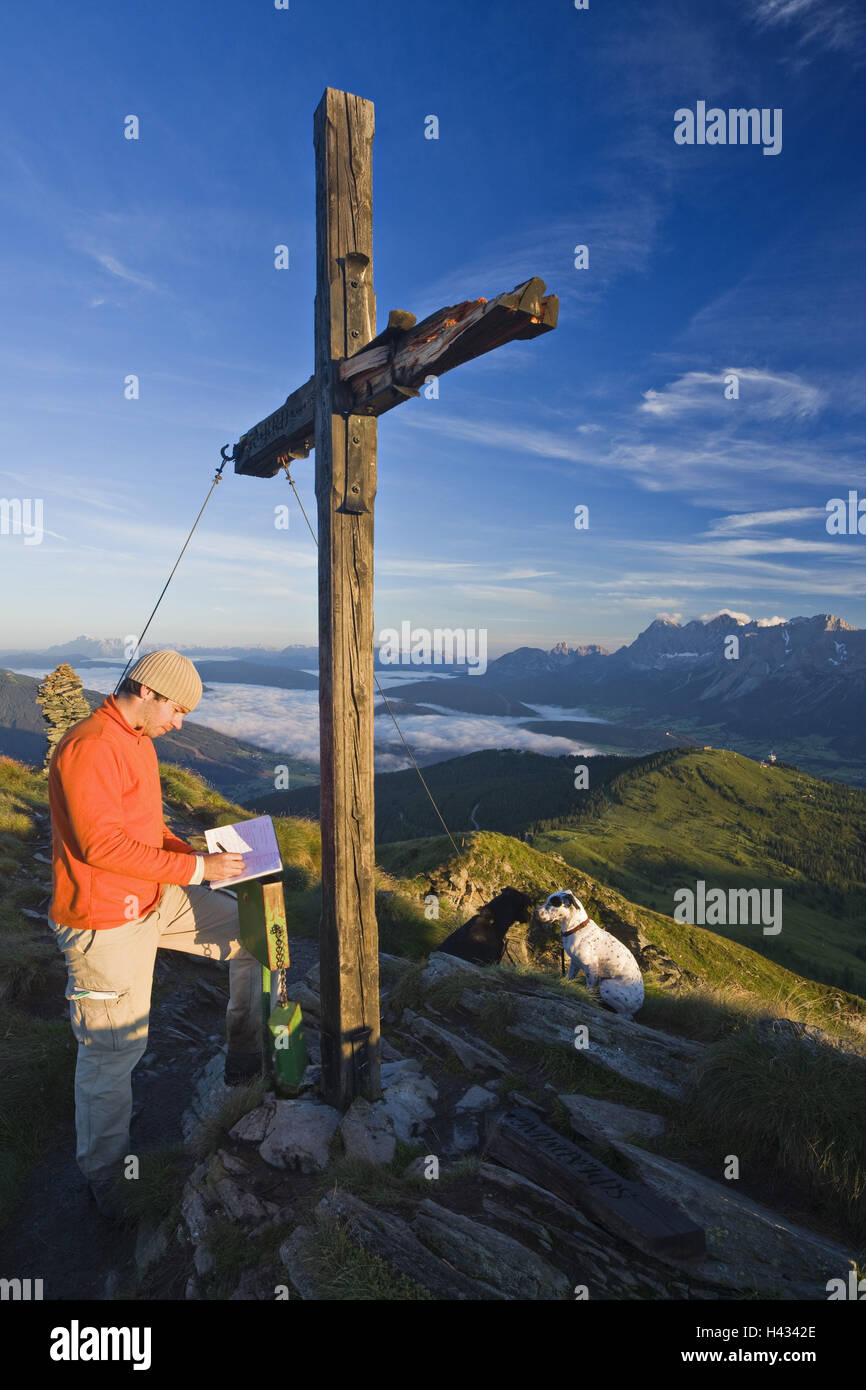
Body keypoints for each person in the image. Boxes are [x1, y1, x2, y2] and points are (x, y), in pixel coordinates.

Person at [46, 649, 263, 1218]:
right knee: (113, 1052)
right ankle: (106, 1178)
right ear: (146, 691)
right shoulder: (92, 746)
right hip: (104, 920)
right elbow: (100, 847)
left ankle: (245, 1052)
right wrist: (197, 872)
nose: (181, 723)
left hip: (151, 898)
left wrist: (189, 852)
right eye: (179, 709)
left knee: (253, 932)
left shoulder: (136, 740)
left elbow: (143, 829)